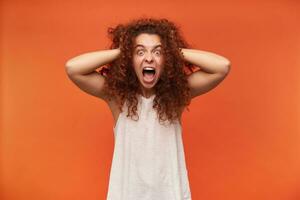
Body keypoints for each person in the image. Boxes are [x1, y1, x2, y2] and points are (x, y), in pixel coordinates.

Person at [65, 17, 230, 200]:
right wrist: (123, 51)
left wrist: (172, 50)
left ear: (166, 59)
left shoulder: (175, 98)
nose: (149, 58)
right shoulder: (118, 99)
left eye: (158, 52)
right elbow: (73, 68)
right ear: (130, 59)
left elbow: (222, 67)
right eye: (140, 52)